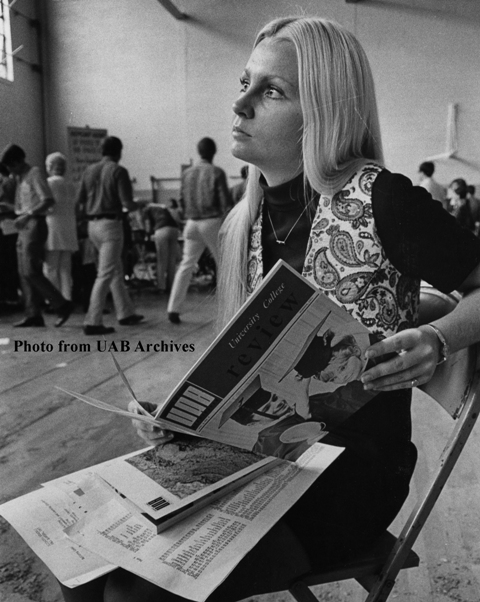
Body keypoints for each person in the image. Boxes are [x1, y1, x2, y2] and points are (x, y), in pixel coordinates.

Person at [59, 16, 480, 602]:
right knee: (81, 567)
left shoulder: (384, 200)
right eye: (244, 82)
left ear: (324, 111)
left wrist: (438, 338)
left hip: (352, 470)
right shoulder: (244, 219)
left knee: (134, 591)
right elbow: (246, 369)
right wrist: (184, 418)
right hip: (261, 456)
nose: (240, 103)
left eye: (271, 91)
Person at [76, 136, 144, 335]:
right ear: (119, 151)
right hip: (110, 226)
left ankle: (126, 313)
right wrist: (142, 204)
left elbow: (79, 200)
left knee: (114, 270)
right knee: (106, 273)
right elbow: (128, 203)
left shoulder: (88, 170)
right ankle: (92, 321)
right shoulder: (118, 171)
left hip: (92, 225)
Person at [0, 144, 73, 327]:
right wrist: (10, 209)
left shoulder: (35, 173)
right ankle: (33, 313)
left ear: (18, 161)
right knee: (23, 271)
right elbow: (24, 205)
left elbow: (48, 200)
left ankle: (61, 304)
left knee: (32, 270)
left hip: (34, 224)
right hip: (24, 224)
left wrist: (27, 216)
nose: (9, 171)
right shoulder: (21, 178)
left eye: (10, 166)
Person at [166, 137, 232, 324]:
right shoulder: (216, 172)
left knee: (186, 265)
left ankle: (173, 309)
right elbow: (225, 203)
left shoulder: (187, 174)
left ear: (199, 151)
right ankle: (231, 309)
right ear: (213, 152)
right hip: (211, 222)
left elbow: (181, 201)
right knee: (224, 265)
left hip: (191, 223)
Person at [44, 152, 79, 302]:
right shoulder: (71, 185)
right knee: (65, 267)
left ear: (49, 167)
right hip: (69, 227)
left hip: (52, 227)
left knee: (51, 267)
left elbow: (45, 205)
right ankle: (67, 298)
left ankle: (54, 300)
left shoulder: (48, 183)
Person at [143, 199, 179, 293]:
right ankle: (171, 287)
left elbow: (147, 225)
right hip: (174, 229)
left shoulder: (147, 209)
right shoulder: (161, 207)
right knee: (172, 260)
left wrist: (147, 234)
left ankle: (161, 287)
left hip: (161, 229)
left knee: (162, 260)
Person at [0, 162, 20, 308]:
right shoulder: (13, 181)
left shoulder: (6, 183)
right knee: (11, 262)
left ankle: (10, 295)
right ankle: (12, 294)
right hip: (13, 225)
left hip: (7, 224)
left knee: (7, 262)